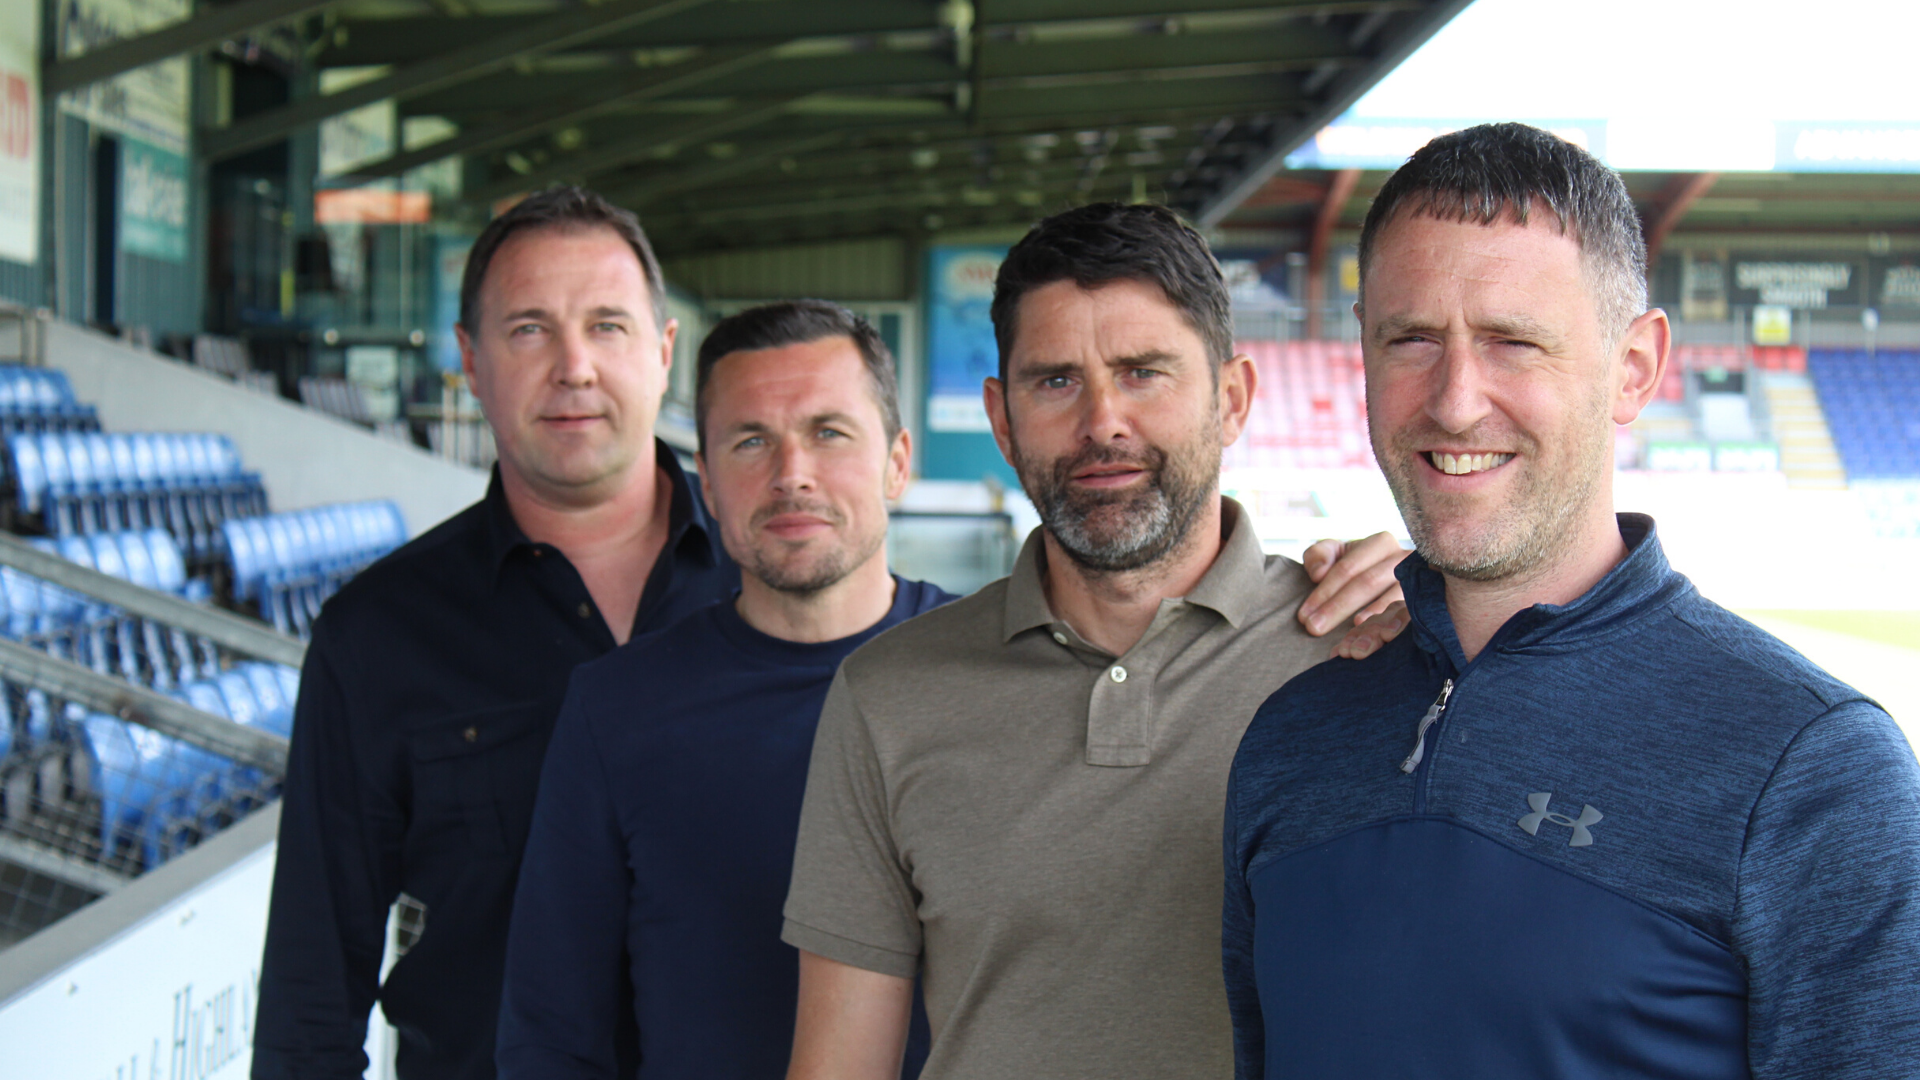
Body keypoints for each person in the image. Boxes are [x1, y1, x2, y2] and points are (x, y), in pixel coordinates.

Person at [1223, 123, 1920, 1079]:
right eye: (1412, 340)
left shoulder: (1814, 770)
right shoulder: (1289, 740)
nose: (1456, 401)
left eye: (1514, 342)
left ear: (1634, 368)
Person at [780, 202, 1412, 1080]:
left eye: (1143, 372)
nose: (1103, 422)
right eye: (1056, 381)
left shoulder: (1374, 646)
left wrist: (1452, 612)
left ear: (1231, 400)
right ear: (1001, 421)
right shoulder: (887, 695)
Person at [253, 187, 739, 1080]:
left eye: (607, 325)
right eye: (528, 330)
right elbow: (312, 987)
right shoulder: (378, 636)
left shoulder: (777, 590)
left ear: (665, 354)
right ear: (470, 362)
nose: (573, 366)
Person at [494, 301, 943, 1079]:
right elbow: (552, 1031)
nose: (790, 473)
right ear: (706, 479)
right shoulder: (617, 709)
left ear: (897, 461)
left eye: (829, 432)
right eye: (750, 441)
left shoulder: (994, 677)